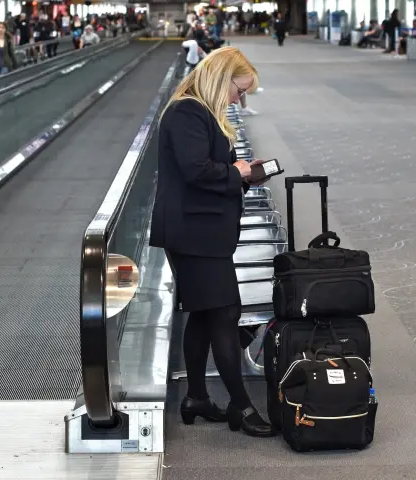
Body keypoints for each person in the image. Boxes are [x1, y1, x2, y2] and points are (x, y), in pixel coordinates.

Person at [149, 46, 276, 438]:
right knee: (224, 313)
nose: (241, 98)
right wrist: (235, 172)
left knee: (204, 314)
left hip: (201, 231)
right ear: (221, 79)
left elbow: (206, 167)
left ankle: (198, 399)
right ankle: (241, 406)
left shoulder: (200, 111)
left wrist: (244, 174)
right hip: (193, 234)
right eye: (240, 89)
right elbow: (194, 170)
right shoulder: (188, 111)